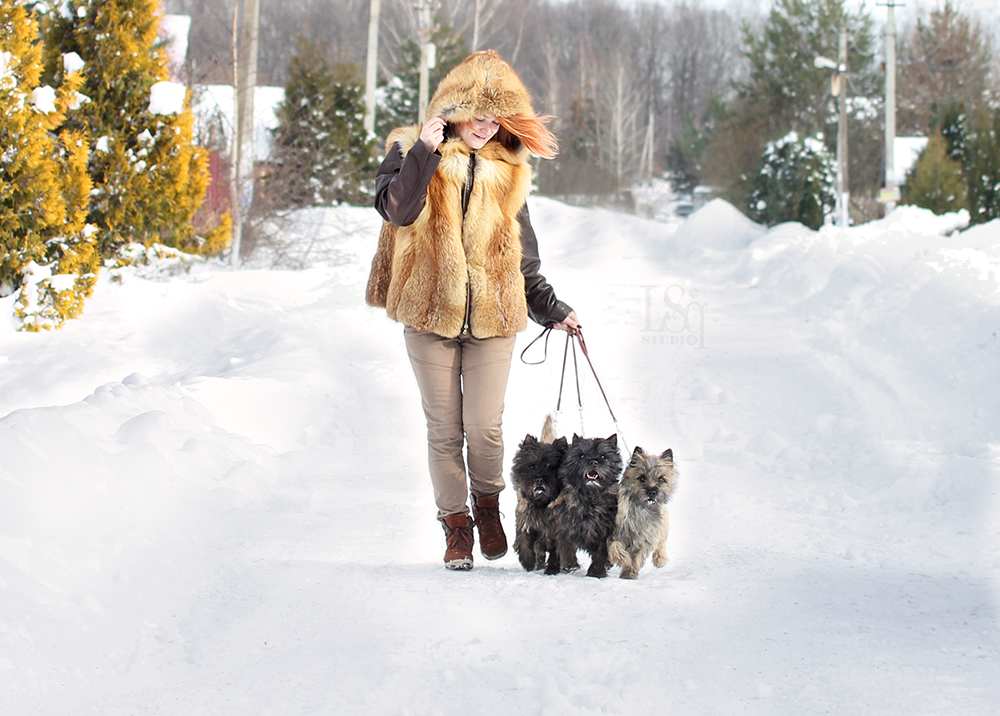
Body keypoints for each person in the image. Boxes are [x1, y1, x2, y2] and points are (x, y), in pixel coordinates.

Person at [367, 50, 579, 570]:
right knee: (444, 430)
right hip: (429, 317)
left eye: (495, 118)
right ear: (453, 109)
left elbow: (522, 256)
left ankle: (488, 506)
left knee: (484, 427)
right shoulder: (409, 149)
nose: (485, 128)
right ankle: (455, 526)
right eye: (477, 115)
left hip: (493, 320)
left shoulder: (510, 171)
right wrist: (424, 151)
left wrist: (552, 309)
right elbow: (397, 209)